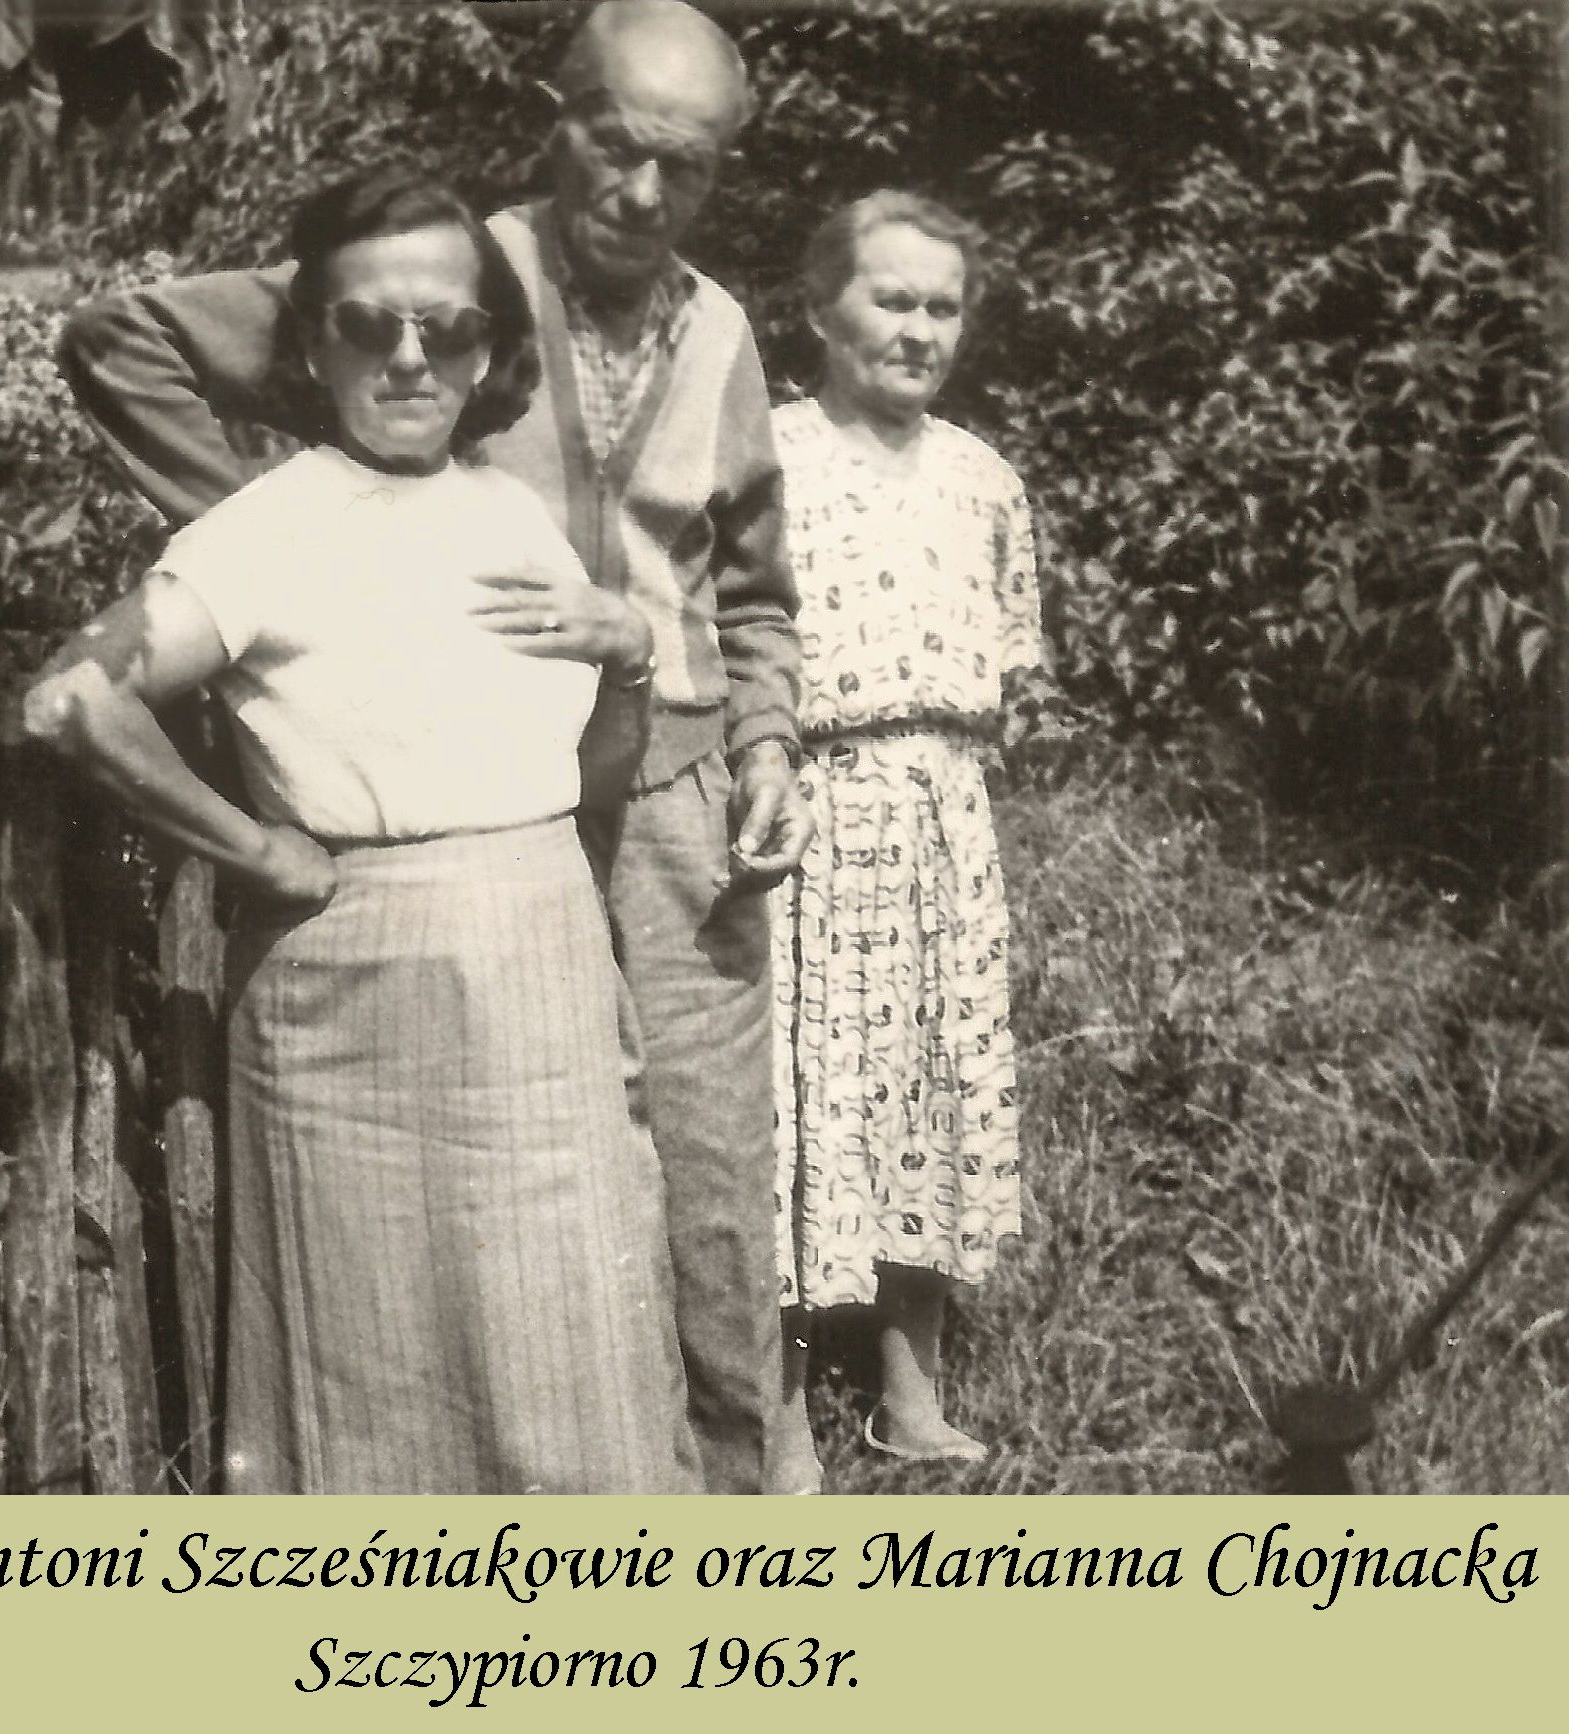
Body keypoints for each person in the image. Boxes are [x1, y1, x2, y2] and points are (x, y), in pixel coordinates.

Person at [58, 0, 811, 1493]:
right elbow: (121, 339)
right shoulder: (446, 278)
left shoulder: (720, 327)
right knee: (466, 1217)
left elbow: (754, 582)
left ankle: (735, 1490)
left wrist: (771, 733)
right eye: (619, 146)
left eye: (689, 166)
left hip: (661, 776)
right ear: (553, 117)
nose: (646, 193)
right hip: (447, 823)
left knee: (702, 1167)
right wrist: (305, 542)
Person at [767, 191, 1043, 1483]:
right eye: (892, 299)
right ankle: (773, 1411)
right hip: (806, 809)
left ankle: (908, 1392)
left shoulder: (985, 479)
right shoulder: (765, 457)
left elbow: (1011, 664)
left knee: (931, 1080)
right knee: (796, 1089)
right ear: (821, 311)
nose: (919, 329)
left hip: (942, 817)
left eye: (944, 306)